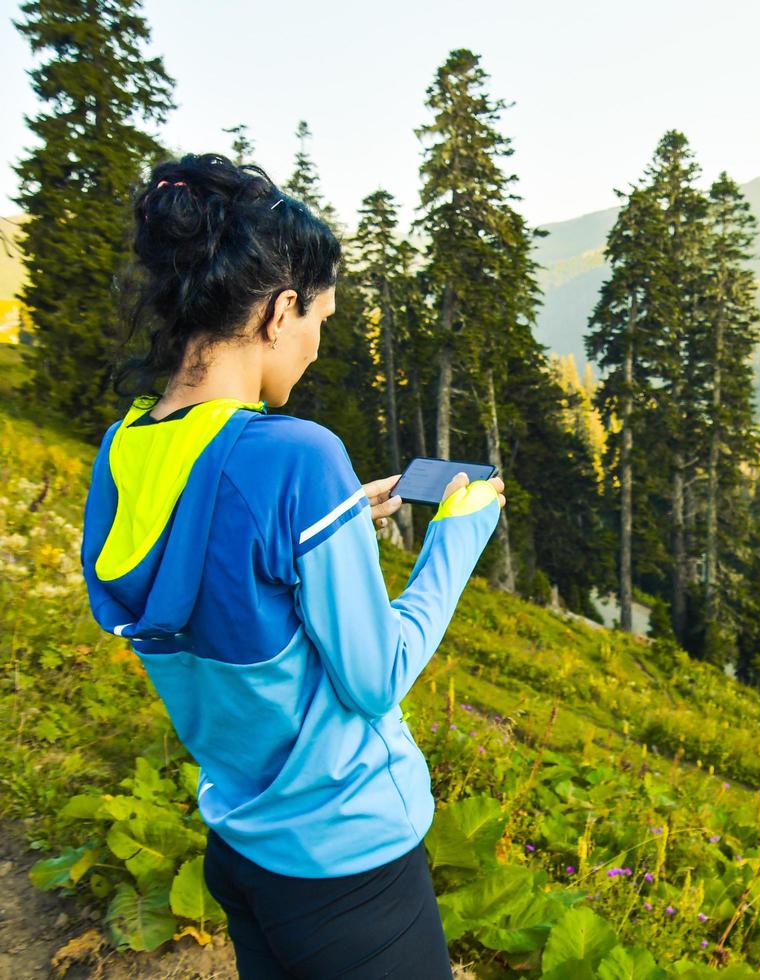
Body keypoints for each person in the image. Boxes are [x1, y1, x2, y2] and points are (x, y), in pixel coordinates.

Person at [79, 153, 503, 978]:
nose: (314, 345)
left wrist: (342, 518)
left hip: (241, 848)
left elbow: (220, 562)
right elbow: (375, 677)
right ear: (279, 311)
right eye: (319, 321)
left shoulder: (125, 446)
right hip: (352, 864)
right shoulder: (298, 456)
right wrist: (457, 537)